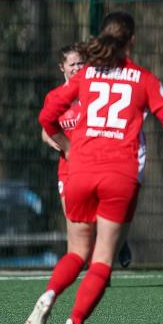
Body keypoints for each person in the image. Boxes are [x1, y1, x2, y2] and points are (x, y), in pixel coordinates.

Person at [27, 10, 163, 324]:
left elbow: (47, 115)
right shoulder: (144, 79)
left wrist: (68, 148)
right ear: (132, 41)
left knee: (76, 251)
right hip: (119, 176)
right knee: (103, 259)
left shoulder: (87, 75)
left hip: (79, 172)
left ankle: (49, 294)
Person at [39, 41, 135, 270]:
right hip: (68, 169)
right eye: (72, 64)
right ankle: (91, 261)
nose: (77, 67)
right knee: (75, 219)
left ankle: (108, 254)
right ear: (62, 67)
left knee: (101, 215)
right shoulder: (55, 97)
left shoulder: (93, 92)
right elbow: (45, 131)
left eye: (81, 63)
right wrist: (59, 143)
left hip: (95, 165)